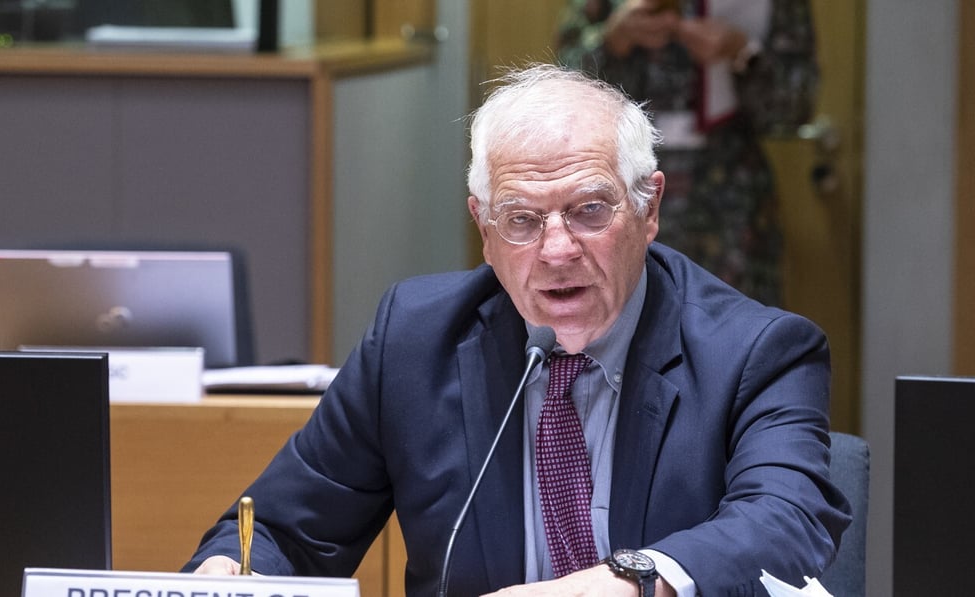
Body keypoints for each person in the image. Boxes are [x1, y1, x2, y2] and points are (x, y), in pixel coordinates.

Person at [182, 64, 849, 596]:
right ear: (484, 228)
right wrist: (226, 577)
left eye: (589, 210)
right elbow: (281, 528)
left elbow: (786, 519)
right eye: (522, 220)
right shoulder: (415, 340)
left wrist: (626, 581)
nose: (556, 250)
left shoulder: (757, 351)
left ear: (649, 209)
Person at [556, 0, 819, 306]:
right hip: (619, 185)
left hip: (731, 196)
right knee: (614, 325)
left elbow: (796, 109)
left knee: (736, 331)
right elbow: (563, 92)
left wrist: (742, 51)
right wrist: (614, 39)